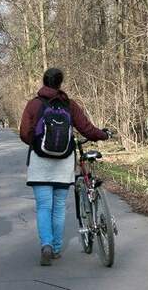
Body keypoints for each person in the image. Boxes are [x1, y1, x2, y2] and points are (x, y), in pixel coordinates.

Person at [19, 68, 109, 266]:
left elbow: (24, 133)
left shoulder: (34, 105)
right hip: (64, 163)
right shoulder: (69, 104)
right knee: (58, 207)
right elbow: (86, 128)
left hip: (40, 163)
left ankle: (46, 246)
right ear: (60, 84)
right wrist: (103, 135)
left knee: (44, 207)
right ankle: (57, 248)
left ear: (43, 82)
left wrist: (37, 144)